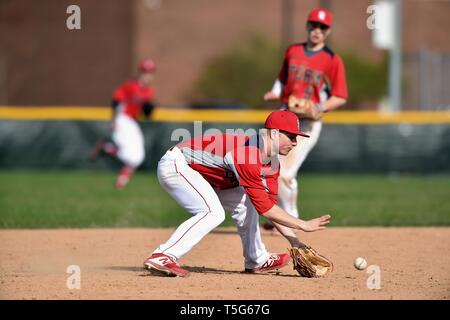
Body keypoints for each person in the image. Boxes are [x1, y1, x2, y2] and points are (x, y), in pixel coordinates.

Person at [143, 110, 331, 277]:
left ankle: (256, 259)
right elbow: (266, 209)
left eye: (296, 137)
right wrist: (303, 224)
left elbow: (269, 207)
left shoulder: (272, 164)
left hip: (206, 174)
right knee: (213, 212)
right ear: (273, 133)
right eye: (291, 136)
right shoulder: (248, 154)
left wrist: (295, 242)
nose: (295, 142)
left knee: (247, 203)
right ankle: (163, 255)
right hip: (177, 165)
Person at [263, 7, 348, 229]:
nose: (317, 30)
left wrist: (320, 107)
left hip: (308, 124)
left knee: (286, 174)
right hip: (284, 118)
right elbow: (281, 79)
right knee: (269, 167)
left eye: (322, 27)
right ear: (307, 26)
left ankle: (290, 218)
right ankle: (278, 214)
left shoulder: (332, 60)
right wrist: (275, 91)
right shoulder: (293, 51)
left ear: (327, 31)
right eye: (314, 25)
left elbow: (340, 96)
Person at [90, 58, 156, 189]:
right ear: (140, 73)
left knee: (138, 156)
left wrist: (149, 109)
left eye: (150, 72)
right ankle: (121, 180)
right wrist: (114, 119)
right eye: (145, 72)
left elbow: (146, 114)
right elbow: (116, 101)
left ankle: (107, 149)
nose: (148, 75)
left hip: (133, 122)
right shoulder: (130, 85)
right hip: (123, 119)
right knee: (133, 156)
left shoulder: (149, 91)